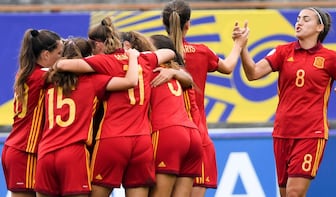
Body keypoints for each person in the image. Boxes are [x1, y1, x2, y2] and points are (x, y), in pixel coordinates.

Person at [237, 7, 336, 197]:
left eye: (306, 19)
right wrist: (242, 47)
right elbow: (252, 73)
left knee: (294, 193)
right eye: (298, 18)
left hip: (311, 133)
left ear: (319, 27)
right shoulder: (282, 51)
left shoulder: (331, 58)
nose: (299, 22)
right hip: (282, 132)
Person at [55, 16, 175, 197]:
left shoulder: (104, 62)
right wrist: (136, 56)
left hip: (112, 139)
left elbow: (63, 65)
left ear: (99, 44)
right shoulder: (145, 60)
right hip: (142, 141)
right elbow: (170, 52)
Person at [159, 1, 248, 196]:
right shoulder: (201, 51)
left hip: (164, 136)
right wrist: (239, 45)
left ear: (163, 23)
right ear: (188, 24)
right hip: (197, 135)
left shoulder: (154, 55)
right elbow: (228, 66)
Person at [34, 37, 139, 197]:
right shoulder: (93, 81)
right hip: (73, 153)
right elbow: (130, 81)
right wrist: (132, 57)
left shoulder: (48, 81)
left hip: (45, 154)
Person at [1, 29, 63, 197]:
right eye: (59, 53)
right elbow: (69, 70)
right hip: (25, 151)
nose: (62, 58)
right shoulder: (40, 76)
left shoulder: (27, 72)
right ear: (45, 55)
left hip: (17, 147)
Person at [146, 34, 203, 197]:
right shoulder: (179, 73)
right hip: (192, 136)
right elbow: (189, 80)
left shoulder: (150, 71)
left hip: (168, 133)